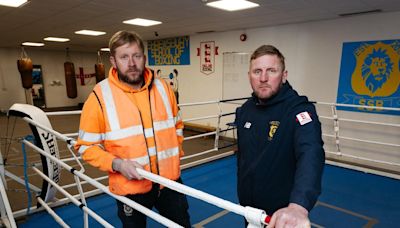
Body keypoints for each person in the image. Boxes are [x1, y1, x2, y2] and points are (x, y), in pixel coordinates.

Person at [75, 30, 190, 228]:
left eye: (136, 56)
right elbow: (86, 147)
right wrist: (118, 164)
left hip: (170, 182)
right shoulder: (99, 97)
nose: (131, 63)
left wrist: (175, 155)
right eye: (124, 57)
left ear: (144, 57)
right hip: (130, 188)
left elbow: (177, 126)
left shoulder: (163, 88)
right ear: (113, 60)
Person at [235, 45, 325, 227]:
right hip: (249, 211)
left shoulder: (298, 110)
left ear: (284, 75)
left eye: (271, 71)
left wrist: (298, 206)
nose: (263, 78)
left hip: (282, 216)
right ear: (249, 76)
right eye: (257, 71)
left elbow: (311, 154)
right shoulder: (245, 110)